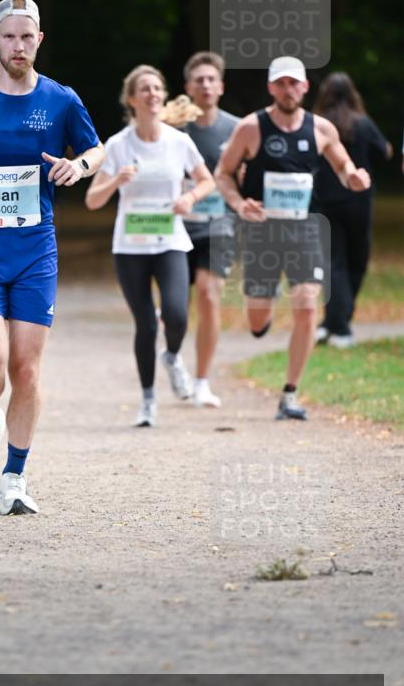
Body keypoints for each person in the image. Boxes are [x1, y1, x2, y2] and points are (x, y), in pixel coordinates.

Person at [0, 0, 103, 516]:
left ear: (39, 40)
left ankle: (14, 475)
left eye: (26, 36)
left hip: (35, 247)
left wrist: (79, 168)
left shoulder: (61, 99)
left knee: (26, 371)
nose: (18, 45)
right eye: (8, 36)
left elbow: (96, 149)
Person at [215, 56, 371, 421]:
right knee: (256, 321)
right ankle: (262, 318)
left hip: (305, 228)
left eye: (294, 83)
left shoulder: (321, 129)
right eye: (281, 83)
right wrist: (239, 203)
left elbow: (344, 165)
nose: (288, 90)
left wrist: (354, 178)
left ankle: (289, 393)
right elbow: (222, 174)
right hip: (261, 232)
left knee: (305, 304)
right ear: (271, 88)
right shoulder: (252, 128)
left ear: (305, 87)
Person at [85, 65, 215, 428]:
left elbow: (207, 181)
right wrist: (115, 182)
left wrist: (189, 198)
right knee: (145, 323)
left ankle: (172, 357)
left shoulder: (178, 141)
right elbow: (92, 200)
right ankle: (148, 400)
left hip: (170, 241)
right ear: (132, 99)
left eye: (158, 88)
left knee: (176, 315)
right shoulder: (118, 145)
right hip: (130, 247)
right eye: (145, 89)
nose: (153, 94)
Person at [312, 72, 393, 348]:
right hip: (358, 203)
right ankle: (341, 327)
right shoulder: (363, 124)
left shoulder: (318, 125)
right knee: (356, 261)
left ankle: (329, 324)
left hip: (325, 202)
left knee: (334, 262)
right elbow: (384, 153)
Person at [179, 51, 240, 407]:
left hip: (220, 225)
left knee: (208, 294)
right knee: (176, 308)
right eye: (198, 79)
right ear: (188, 87)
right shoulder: (173, 127)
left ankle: (202, 380)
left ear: (220, 86)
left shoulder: (237, 129)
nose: (205, 85)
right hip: (177, 225)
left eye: (211, 79)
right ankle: (174, 359)